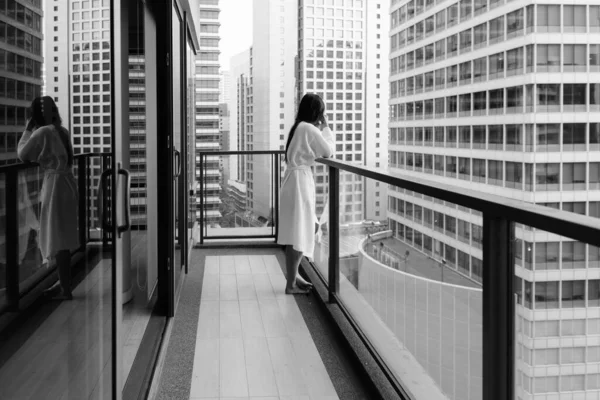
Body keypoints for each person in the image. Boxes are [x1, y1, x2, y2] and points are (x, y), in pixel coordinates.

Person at [18, 96, 79, 300]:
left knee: (57, 236)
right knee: (61, 236)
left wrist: (28, 129)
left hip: (56, 188)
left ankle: (65, 290)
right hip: (68, 184)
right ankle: (64, 284)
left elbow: (22, 154)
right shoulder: (62, 131)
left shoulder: (43, 132)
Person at [278, 93, 334, 294]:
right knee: (301, 231)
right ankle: (291, 283)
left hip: (293, 181)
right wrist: (326, 127)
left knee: (297, 232)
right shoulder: (309, 128)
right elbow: (328, 151)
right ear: (317, 112)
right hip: (299, 183)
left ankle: (293, 278)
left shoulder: (299, 127)